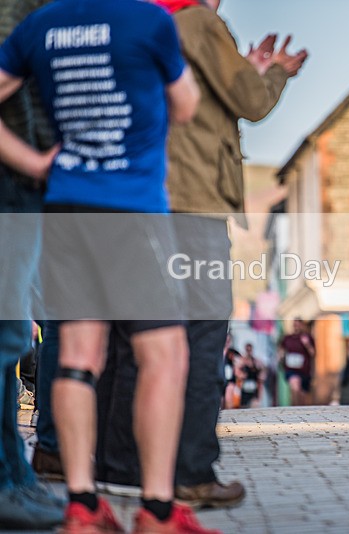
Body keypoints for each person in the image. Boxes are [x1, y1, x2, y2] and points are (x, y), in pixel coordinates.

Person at [0, 0, 216, 531]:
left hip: (66, 206)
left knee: (76, 356)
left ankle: (81, 504)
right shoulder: (149, 22)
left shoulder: (42, 25)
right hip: (133, 210)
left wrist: (30, 161)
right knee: (164, 356)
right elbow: (186, 106)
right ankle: (158, 510)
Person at [90, 0, 307, 510]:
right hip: (192, 207)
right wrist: (274, 74)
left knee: (132, 339)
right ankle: (190, 472)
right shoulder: (198, 20)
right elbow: (249, 101)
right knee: (201, 339)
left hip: (138, 196)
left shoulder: (140, 19)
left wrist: (244, 68)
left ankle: (119, 469)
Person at [0, 0, 64, 528]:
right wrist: (34, 161)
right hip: (12, 181)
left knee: (14, 334)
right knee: (7, 335)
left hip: (25, 188)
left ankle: (14, 473)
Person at [279, 319, 316, 406]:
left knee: (302, 395)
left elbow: (313, 353)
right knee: (295, 387)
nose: (296, 327)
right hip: (291, 369)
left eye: (298, 325)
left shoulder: (307, 337)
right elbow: (281, 350)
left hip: (304, 370)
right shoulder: (287, 338)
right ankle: (294, 409)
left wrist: (307, 344)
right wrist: (280, 356)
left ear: (302, 326)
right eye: (295, 325)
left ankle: (300, 411)